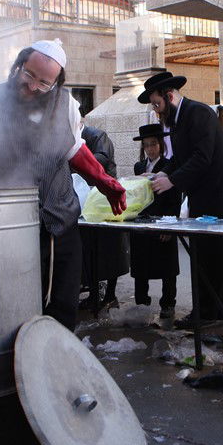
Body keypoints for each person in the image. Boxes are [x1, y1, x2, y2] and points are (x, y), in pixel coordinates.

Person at [0, 39, 125, 331]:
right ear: (19, 66)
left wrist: (103, 180)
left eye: (44, 83)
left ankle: (55, 370)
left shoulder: (67, 105)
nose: (33, 86)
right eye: (28, 75)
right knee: (16, 311)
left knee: (63, 310)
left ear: (56, 83)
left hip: (63, 224)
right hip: (12, 231)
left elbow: (74, 147)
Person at [140, 71, 223, 327]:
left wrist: (172, 180)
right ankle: (201, 311)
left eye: (158, 104)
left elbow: (201, 158)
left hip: (216, 197)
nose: (157, 112)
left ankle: (215, 315)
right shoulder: (178, 120)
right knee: (201, 256)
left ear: (169, 96)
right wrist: (163, 172)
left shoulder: (199, 114)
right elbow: (180, 159)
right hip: (199, 198)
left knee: (216, 257)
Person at [130, 124, 181, 319]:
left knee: (167, 265)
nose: (150, 149)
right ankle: (141, 301)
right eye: (146, 145)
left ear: (160, 144)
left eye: (153, 144)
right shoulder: (139, 166)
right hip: (142, 220)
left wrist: (170, 225)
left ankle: (168, 303)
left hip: (163, 218)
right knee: (140, 264)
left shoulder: (169, 165)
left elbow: (175, 197)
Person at [79, 123, 129, 311]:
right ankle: (94, 294)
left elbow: (102, 160)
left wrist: (78, 160)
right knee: (91, 250)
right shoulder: (79, 137)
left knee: (111, 250)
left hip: (106, 199)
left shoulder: (97, 136)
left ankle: (110, 294)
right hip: (89, 200)